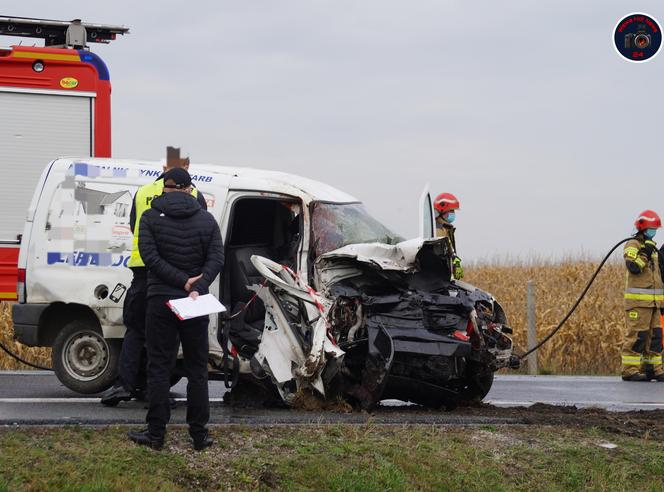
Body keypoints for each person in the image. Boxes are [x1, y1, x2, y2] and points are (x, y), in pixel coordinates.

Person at [101, 148, 207, 406]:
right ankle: (152, 390)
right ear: (186, 169)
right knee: (165, 337)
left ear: (162, 169)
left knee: (136, 330)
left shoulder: (143, 192)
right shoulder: (193, 194)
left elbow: (133, 225)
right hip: (173, 276)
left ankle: (124, 385)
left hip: (140, 271)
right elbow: (201, 230)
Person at [128, 168, 223, 450]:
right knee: (197, 369)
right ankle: (199, 435)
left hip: (161, 301)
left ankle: (156, 434)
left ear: (164, 189)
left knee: (158, 366)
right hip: (195, 302)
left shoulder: (149, 218)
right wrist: (196, 283)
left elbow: (150, 258)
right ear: (189, 189)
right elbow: (216, 258)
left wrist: (180, 282)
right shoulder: (207, 220)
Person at [621, 210, 664, 382]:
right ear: (642, 227)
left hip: (654, 303)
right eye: (651, 228)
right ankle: (629, 371)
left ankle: (654, 369)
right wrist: (644, 252)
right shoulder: (633, 245)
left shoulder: (652, 248)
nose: (654, 231)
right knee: (637, 336)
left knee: (655, 338)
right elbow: (633, 267)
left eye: (656, 228)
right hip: (638, 303)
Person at [433, 192, 463, 280]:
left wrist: (455, 262)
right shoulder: (438, 230)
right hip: (440, 278)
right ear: (442, 211)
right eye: (451, 211)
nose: (453, 214)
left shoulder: (445, 228)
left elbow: (449, 250)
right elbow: (441, 255)